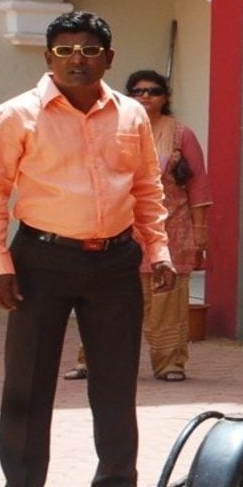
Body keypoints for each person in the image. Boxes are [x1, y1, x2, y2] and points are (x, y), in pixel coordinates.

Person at [0, 11, 176, 487]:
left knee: (116, 380)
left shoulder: (131, 114)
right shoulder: (15, 115)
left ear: (109, 57)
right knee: (29, 381)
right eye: (64, 50)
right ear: (48, 58)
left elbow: (147, 188)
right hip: (41, 259)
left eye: (88, 50)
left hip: (115, 260)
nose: (76, 59)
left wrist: (158, 249)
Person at [64, 70, 212, 382]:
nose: (146, 96)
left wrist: (200, 231)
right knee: (108, 299)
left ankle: (170, 364)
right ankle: (91, 361)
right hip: (120, 231)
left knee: (168, 302)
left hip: (171, 229)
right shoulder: (113, 129)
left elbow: (198, 185)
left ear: (165, 97)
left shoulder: (180, 135)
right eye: (138, 91)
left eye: (153, 91)